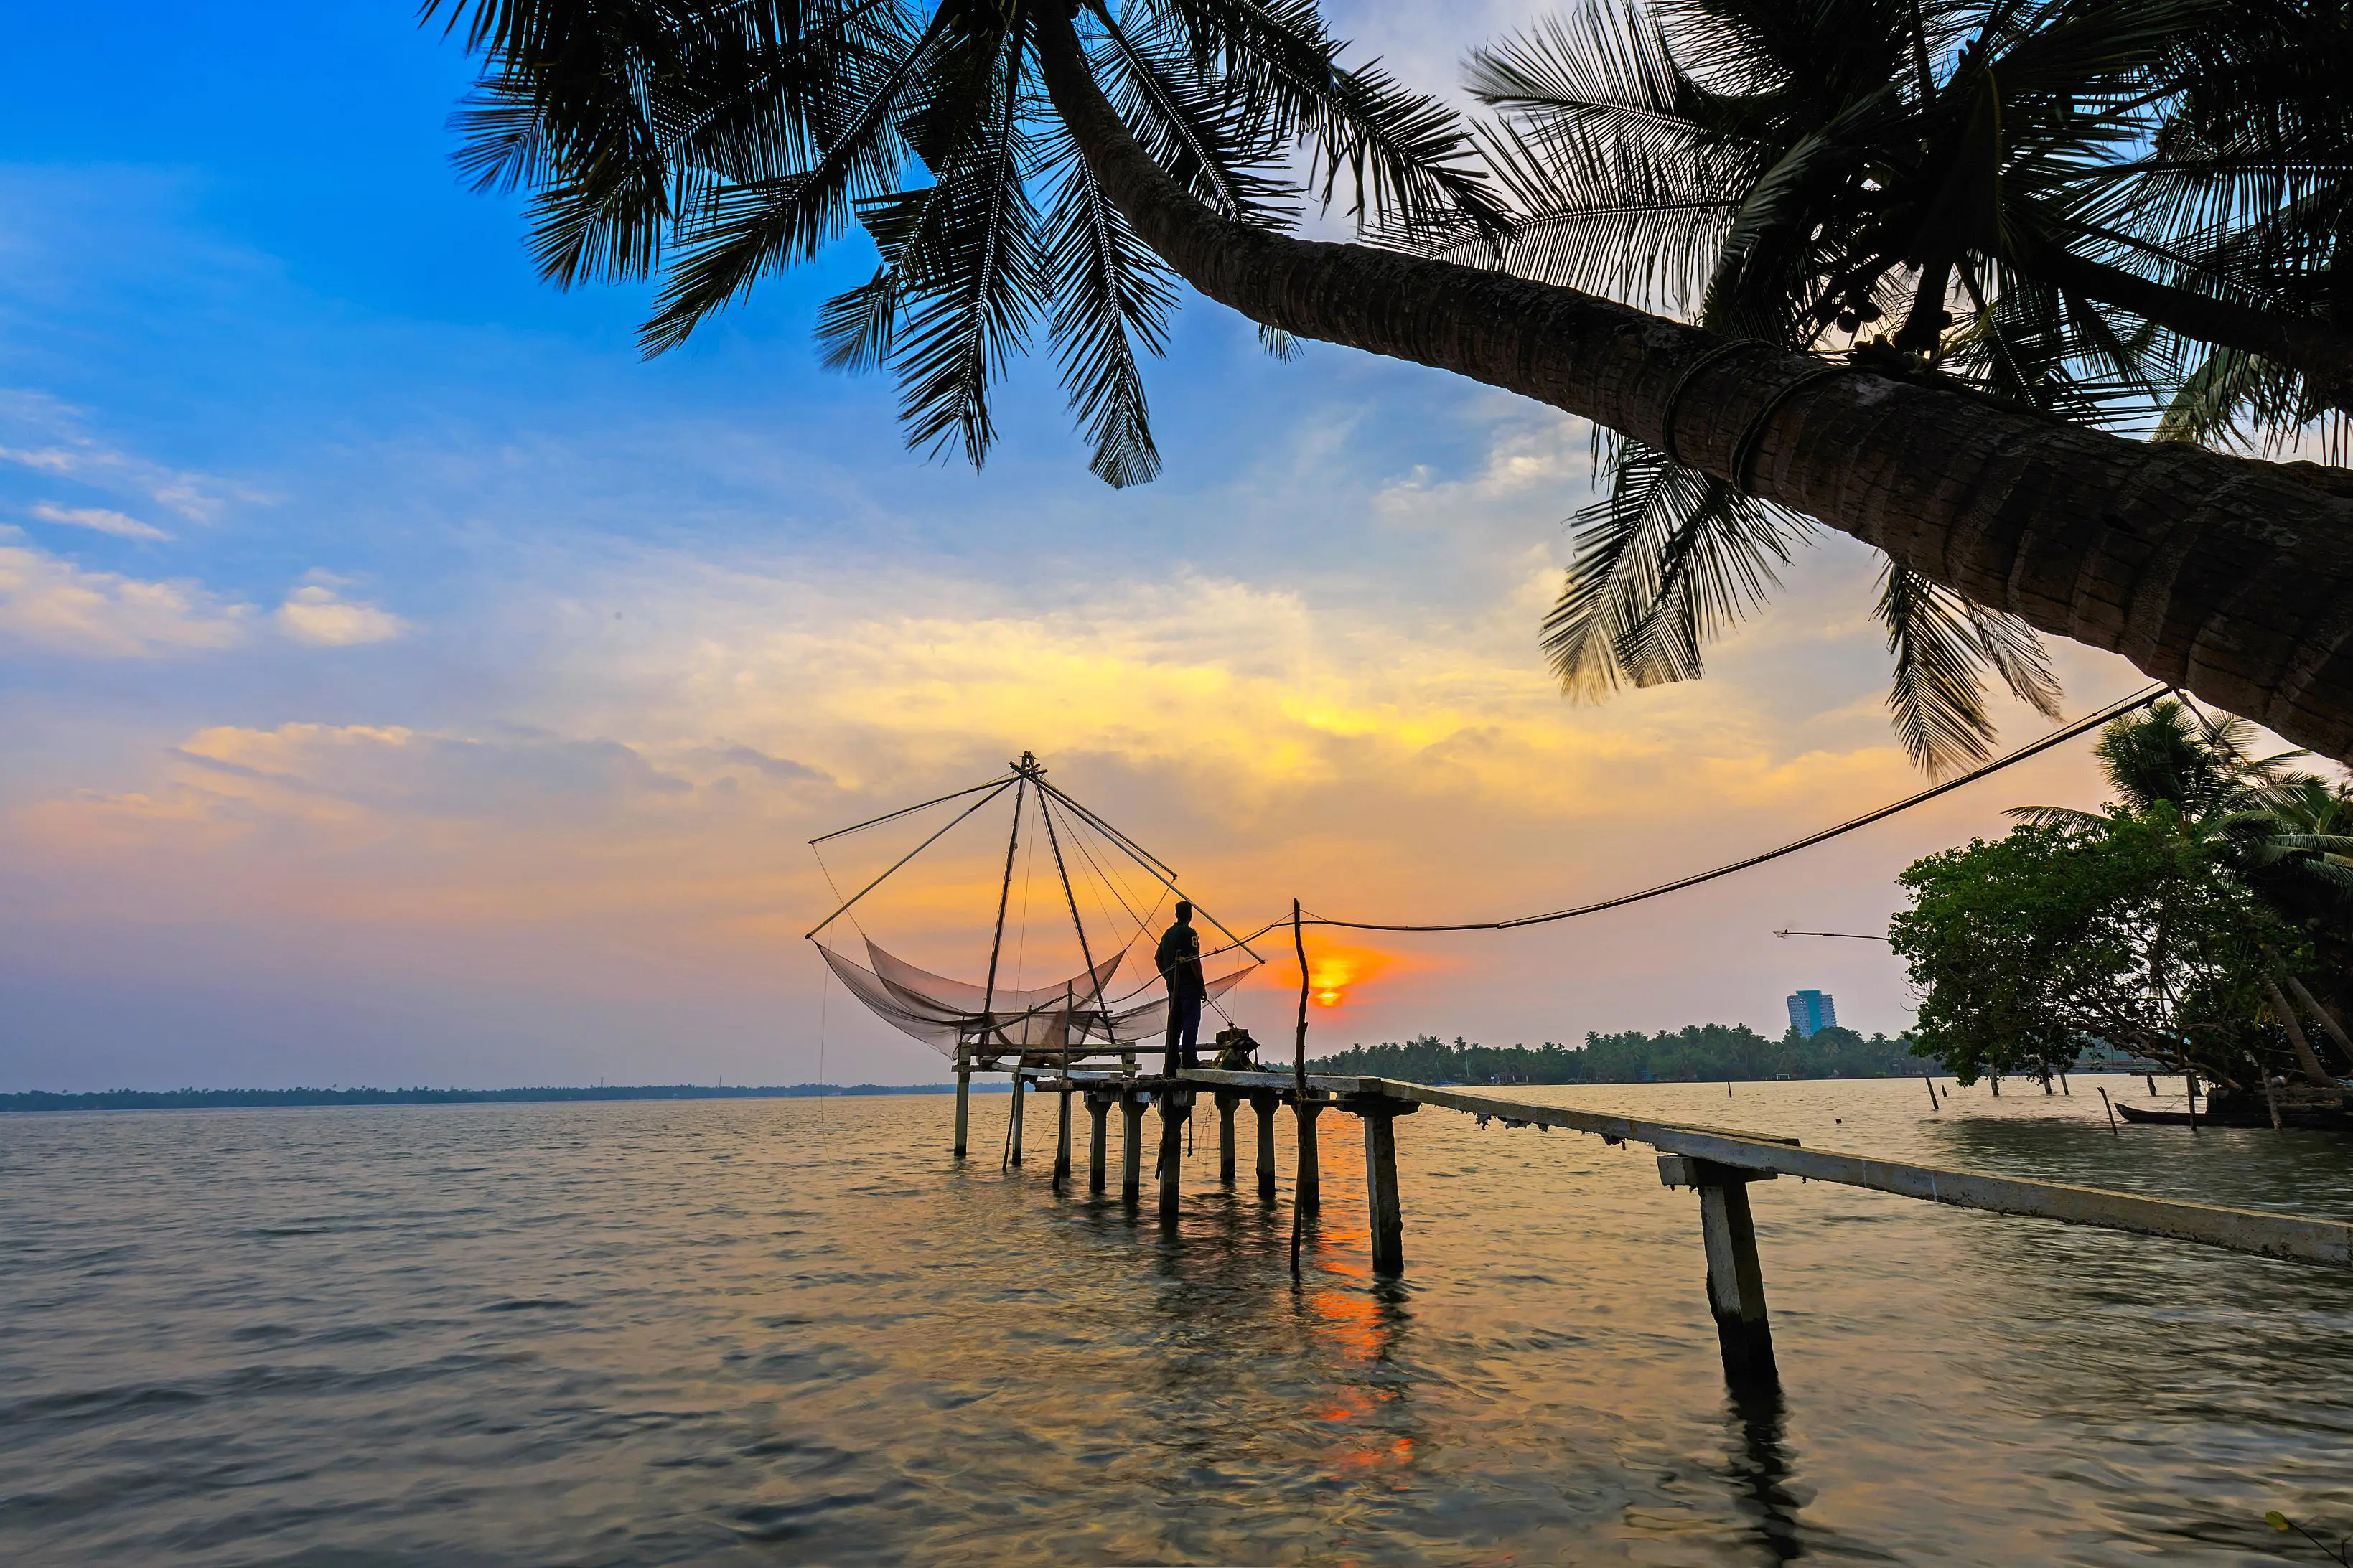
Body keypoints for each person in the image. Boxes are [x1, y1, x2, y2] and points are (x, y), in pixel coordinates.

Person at [1156, 901, 1206, 1074]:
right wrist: (1201, 986)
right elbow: (1194, 960)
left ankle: (1172, 1062)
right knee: (1191, 1020)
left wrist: (1167, 975)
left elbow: (1157, 958)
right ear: (1190, 914)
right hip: (1188, 985)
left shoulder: (1167, 934)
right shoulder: (1190, 932)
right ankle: (1190, 1059)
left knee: (1175, 1023)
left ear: (1176, 914)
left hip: (1173, 986)